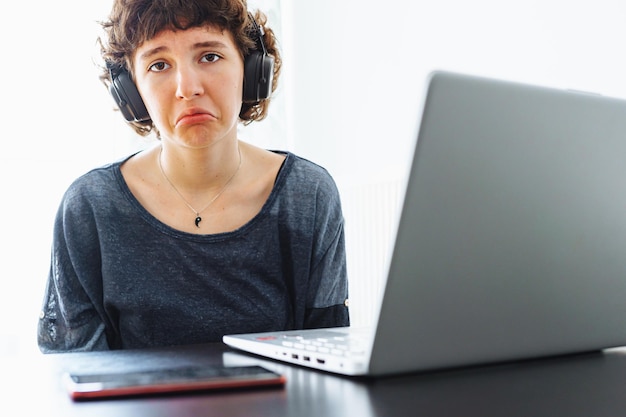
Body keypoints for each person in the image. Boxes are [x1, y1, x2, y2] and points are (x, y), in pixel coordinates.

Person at [37, 0, 349, 353]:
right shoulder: (90, 207)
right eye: (158, 64)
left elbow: (328, 356)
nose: (188, 87)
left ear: (251, 68)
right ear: (130, 91)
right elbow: (73, 368)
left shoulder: (307, 196)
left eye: (209, 57)